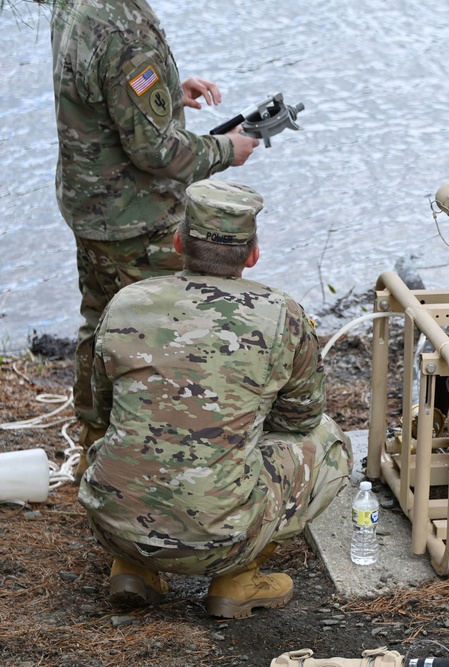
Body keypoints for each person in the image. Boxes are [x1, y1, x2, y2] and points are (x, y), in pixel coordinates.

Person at [78, 179, 351, 619]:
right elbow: (302, 418)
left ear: (178, 242)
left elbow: (102, 408)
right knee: (330, 442)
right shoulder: (282, 314)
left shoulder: (127, 303)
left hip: (114, 524)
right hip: (221, 540)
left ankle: (133, 564)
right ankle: (238, 577)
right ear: (253, 254)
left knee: (129, 434)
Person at [50, 0, 260, 469]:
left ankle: (95, 447)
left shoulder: (75, 7)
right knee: (171, 338)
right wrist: (228, 148)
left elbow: (98, 90)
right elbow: (156, 150)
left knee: (100, 324)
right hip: (134, 219)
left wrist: (165, 91)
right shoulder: (128, 32)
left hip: (89, 204)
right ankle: (162, 467)